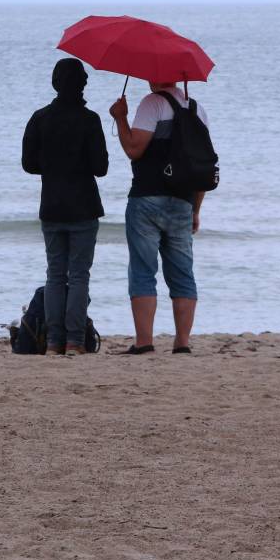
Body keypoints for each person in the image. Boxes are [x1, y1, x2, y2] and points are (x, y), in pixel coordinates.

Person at [109, 81, 209, 355]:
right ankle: (182, 343)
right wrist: (196, 209)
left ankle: (144, 342)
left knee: (143, 270)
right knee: (182, 273)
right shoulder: (198, 110)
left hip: (147, 198)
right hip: (183, 201)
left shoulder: (151, 103)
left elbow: (134, 149)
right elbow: (202, 166)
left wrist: (120, 118)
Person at [22, 58, 109, 355]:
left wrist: (53, 165)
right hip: (84, 206)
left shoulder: (40, 118)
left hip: (52, 206)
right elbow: (101, 168)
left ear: (55, 84)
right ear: (82, 84)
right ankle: (74, 341)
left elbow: (28, 164)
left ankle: (53, 341)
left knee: (55, 274)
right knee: (80, 274)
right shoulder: (90, 120)